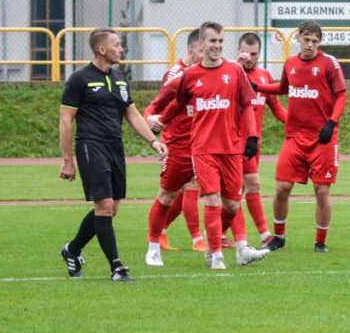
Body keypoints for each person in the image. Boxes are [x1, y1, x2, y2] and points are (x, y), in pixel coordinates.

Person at [155, 21, 269, 270]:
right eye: (212, 41)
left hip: (231, 148)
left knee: (232, 204)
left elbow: (248, 104)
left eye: (220, 41)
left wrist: (251, 137)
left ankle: (228, 245)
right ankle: (215, 255)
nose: (217, 46)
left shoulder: (235, 72)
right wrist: (161, 121)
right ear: (201, 44)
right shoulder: (190, 74)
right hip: (203, 148)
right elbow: (177, 103)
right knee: (212, 199)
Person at [59, 28, 167, 282]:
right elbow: (66, 120)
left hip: (114, 147)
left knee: (111, 208)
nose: (121, 49)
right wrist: (67, 160)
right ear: (101, 49)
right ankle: (117, 267)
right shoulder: (80, 79)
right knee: (104, 206)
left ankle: (72, 250)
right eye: (117, 45)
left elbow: (132, 114)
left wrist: (154, 141)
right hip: (90, 145)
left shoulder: (119, 78)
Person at [255, 21, 347, 253]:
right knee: (281, 188)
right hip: (295, 136)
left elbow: (341, 96)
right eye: (306, 40)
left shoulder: (329, 63)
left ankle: (320, 241)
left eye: (315, 41)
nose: (310, 45)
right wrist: (257, 86)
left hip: (322, 138)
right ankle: (279, 236)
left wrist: (331, 122)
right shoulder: (291, 63)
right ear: (298, 38)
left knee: (322, 190)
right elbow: (283, 88)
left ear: (320, 42)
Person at [146, 29, 206, 253]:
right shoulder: (176, 74)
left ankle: (161, 232)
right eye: (202, 49)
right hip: (176, 141)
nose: (206, 54)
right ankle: (196, 239)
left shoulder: (205, 72)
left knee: (183, 196)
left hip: (198, 140)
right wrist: (151, 120)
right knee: (179, 191)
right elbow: (157, 105)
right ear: (191, 49)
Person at [236, 32, 287, 247]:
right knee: (245, 187)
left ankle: (219, 233)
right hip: (233, 142)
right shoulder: (230, 73)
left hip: (253, 144)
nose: (249, 57)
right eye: (245, 52)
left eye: (254, 53)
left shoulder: (264, 76)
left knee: (247, 189)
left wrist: (301, 124)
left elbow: (276, 108)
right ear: (238, 50)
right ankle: (263, 235)